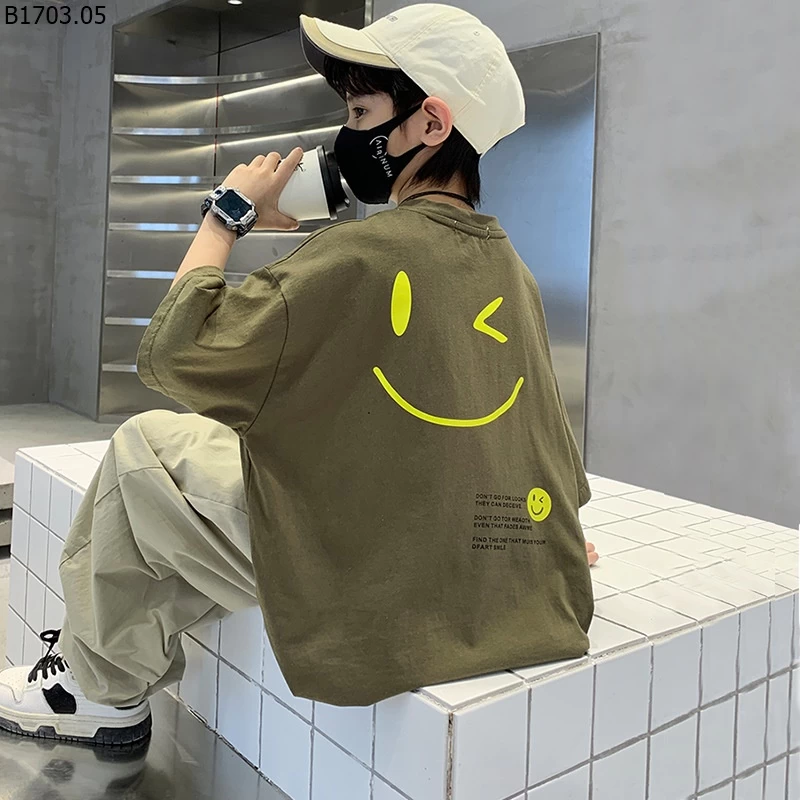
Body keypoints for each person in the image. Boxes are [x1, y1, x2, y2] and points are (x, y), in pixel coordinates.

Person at [0, 3, 598, 745]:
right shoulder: (513, 271)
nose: (347, 133)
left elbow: (177, 351)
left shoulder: (361, 252)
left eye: (360, 111)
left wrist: (227, 214)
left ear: (430, 124)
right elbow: (544, 444)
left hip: (378, 581)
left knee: (144, 450)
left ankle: (100, 690)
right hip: (506, 587)